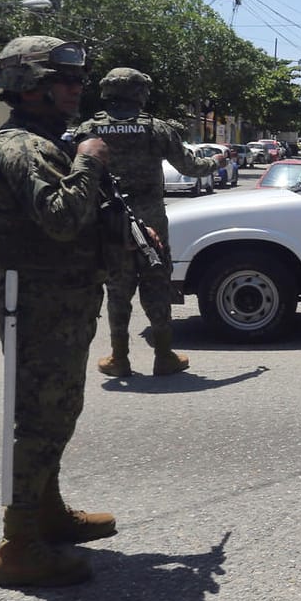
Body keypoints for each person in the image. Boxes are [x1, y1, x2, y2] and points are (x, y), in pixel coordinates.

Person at [0, 36, 125, 588]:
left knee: (58, 411)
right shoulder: (21, 148)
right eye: (64, 80)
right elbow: (60, 217)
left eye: (77, 79)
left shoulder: (47, 141)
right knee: (37, 420)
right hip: (37, 304)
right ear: (30, 87)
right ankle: (19, 544)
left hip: (62, 300)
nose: (76, 89)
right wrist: (89, 164)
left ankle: (47, 513)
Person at [73, 67, 216, 379]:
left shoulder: (89, 129)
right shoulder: (156, 129)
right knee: (156, 285)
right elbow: (190, 167)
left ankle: (119, 358)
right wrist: (216, 162)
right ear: (139, 93)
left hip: (110, 222)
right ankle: (164, 356)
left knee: (117, 288)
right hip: (151, 223)